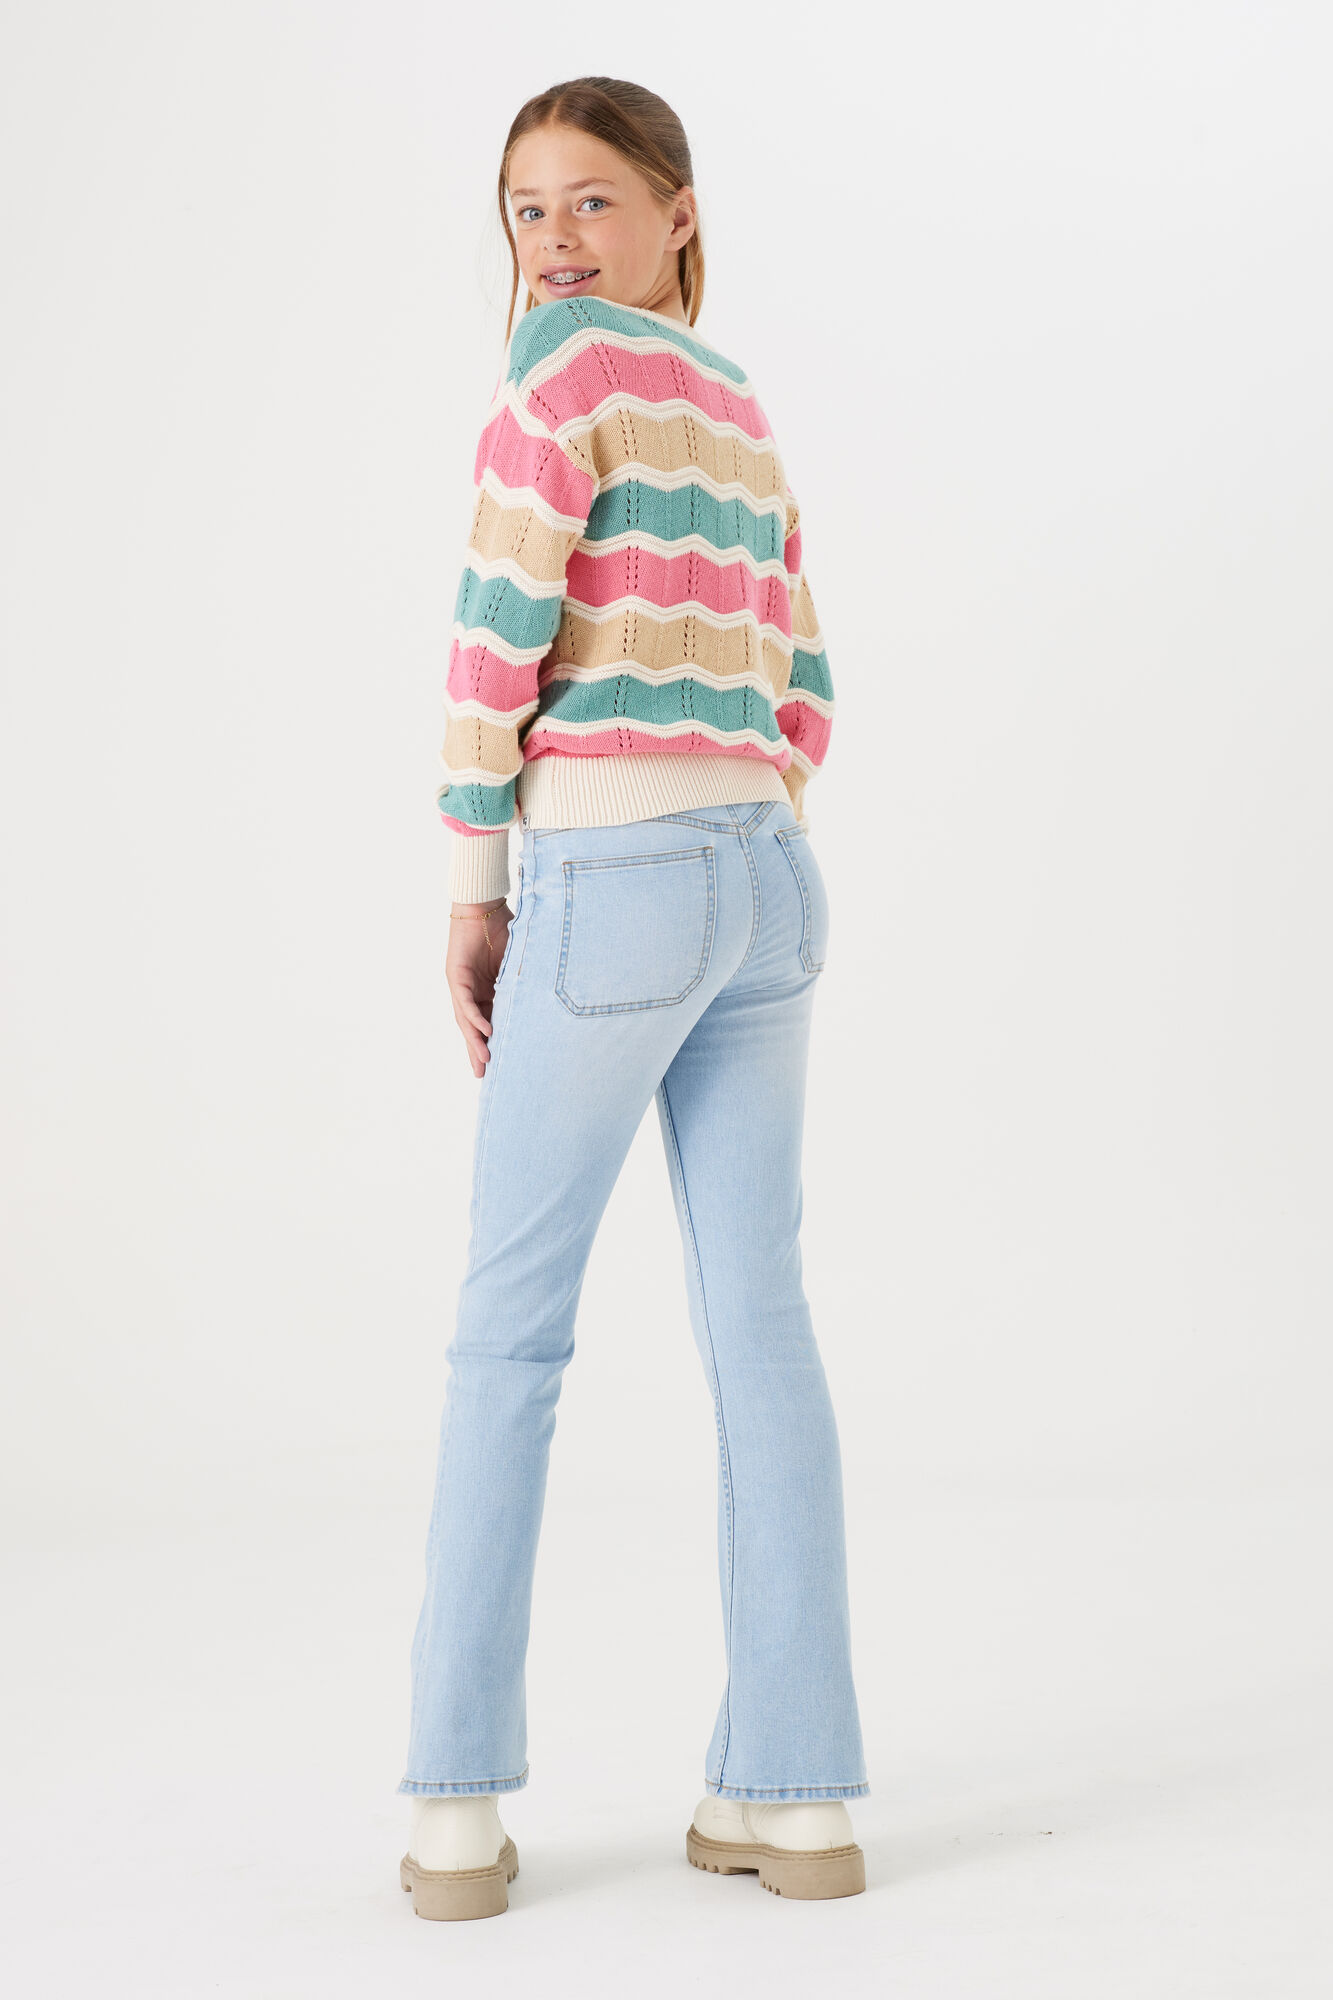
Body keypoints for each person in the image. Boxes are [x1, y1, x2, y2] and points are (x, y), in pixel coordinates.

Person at [397, 76, 869, 1921]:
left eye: (592, 200)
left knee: (508, 1338)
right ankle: (796, 1802)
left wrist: (478, 885)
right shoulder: (731, 401)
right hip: (767, 880)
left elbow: (490, 645)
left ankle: (453, 1812)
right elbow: (803, 677)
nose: (555, 240)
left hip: (614, 876)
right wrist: (743, 809)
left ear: (678, 210)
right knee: (761, 1329)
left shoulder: (556, 379)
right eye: (526, 210)